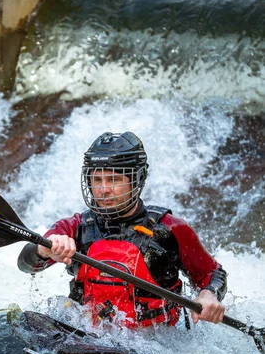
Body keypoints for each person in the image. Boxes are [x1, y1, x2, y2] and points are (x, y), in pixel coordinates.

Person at [17, 131, 226, 329]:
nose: (103, 189)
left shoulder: (170, 229)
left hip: (154, 346)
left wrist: (209, 294)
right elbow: (26, 264)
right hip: (84, 337)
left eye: (114, 180)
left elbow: (211, 273)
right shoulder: (74, 227)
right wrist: (43, 251)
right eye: (96, 180)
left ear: (136, 180)